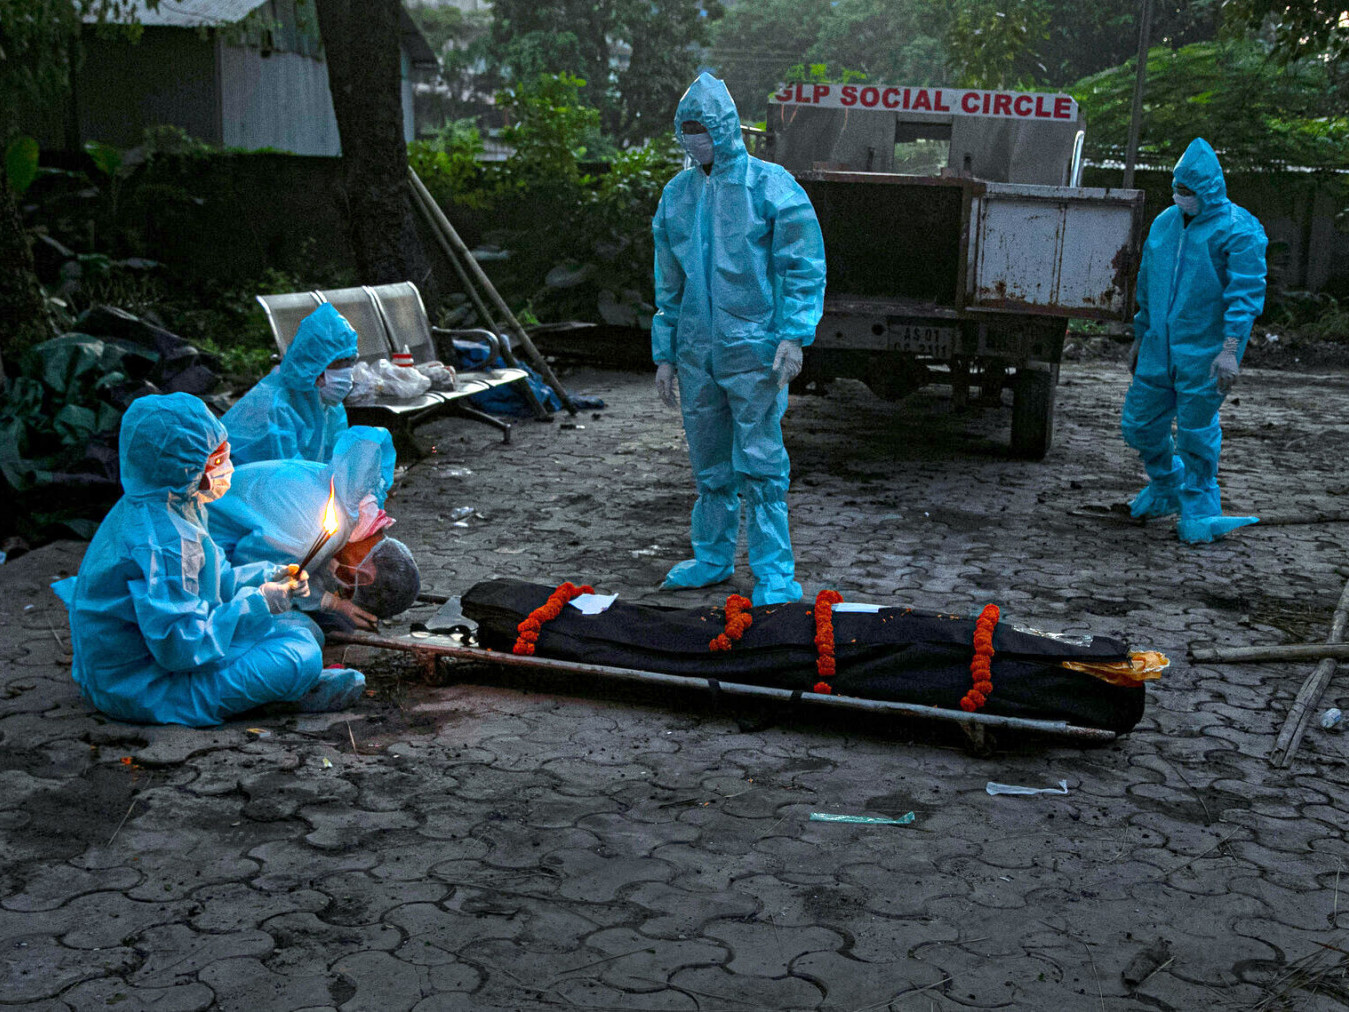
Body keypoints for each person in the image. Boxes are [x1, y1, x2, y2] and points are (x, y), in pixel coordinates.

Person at [54, 393, 366, 727]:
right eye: (217, 458)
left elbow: (214, 578)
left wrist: (268, 576)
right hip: (142, 685)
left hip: (153, 661)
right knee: (298, 659)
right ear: (185, 464)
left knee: (303, 628)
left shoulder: (173, 504)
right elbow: (181, 649)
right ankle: (281, 694)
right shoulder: (164, 541)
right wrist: (258, 603)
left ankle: (279, 687)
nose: (226, 465)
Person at [651, 72, 827, 606]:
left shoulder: (770, 186)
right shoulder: (677, 195)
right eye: (687, 129)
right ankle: (712, 557)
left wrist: (795, 335)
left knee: (761, 459)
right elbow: (669, 280)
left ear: (726, 128)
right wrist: (665, 352)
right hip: (696, 349)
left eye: (702, 127)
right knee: (709, 460)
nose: (694, 137)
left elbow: (802, 266)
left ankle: (774, 572)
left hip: (754, 349)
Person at [1121, 137, 1268, 544]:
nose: (1181, 196)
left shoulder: (1239, 231)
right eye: (1178, 188)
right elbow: (1147, 285)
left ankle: (1201, 508)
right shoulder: (1165, 223)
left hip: (1205, 353)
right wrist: (1140, 335)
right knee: (1139, 425)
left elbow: (1245, 296)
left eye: (1189, 190)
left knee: (1195, 433)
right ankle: (1167, 485)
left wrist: (1229, 351)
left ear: (1209, 188)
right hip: (1158, 347)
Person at [208, 426, 421, 631]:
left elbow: (302, 562)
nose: (340, 583)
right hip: (205, 548)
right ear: (363, 576)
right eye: (348, 587)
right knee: (305, 631)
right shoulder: (308, 538)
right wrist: (327, 603)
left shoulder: (355, 502)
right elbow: (248, 575)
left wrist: (324, 600)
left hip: (218, 517)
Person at [223, 303, 360, 465]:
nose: (347, 371)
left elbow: (335, 463)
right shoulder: (276, 407)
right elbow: (285, 474)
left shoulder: (329, 406)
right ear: (316, 365)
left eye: (351, 362)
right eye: (340, 363)